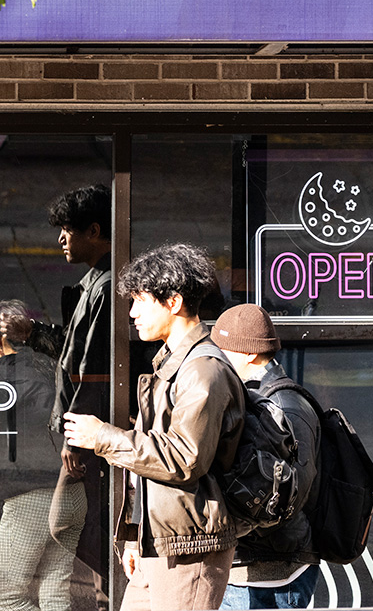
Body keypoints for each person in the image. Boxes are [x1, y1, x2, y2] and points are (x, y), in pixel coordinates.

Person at [63, 242, 244, 611]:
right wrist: (135, 536)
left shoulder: (202, 370)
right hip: (161, 543)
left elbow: (183, 457)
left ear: (173, 302)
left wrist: (103, 436)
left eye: (140, 301)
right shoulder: (172, 363)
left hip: (190, 549)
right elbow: (153, 463)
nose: (131, 313)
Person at [0, 300, 85, 611]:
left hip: (31, 498)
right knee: (54, 593)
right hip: (72, 494)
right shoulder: (52, 366)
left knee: (6, 598)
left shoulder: (0, 376)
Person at [210, 304, 322, 610]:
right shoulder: (255, 397)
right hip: (252, 568)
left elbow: (291, 494)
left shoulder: (285, 405)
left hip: (273, 573)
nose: (215, 360)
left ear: (248, 353)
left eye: (222, 351)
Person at [46, 183, 112, 610]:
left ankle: (112, 600)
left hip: (91, 437)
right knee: (80, 528)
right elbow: (75, 353)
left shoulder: (106, 287)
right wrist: (33, 335)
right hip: (85, 434)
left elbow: (94, 372)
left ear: (94, 230)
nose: (60, 239)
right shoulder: (92, 282)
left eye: (68, 230)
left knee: (80, 527)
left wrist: (75, 439)